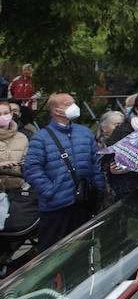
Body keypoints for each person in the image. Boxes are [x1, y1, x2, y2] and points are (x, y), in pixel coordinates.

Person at [23, 93, 105, 253]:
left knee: (81, 251)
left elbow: (96, 163)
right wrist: (50, 191)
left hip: (83, 203)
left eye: (73, 103)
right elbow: (32, 169)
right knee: (52, 253)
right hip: (56, 207)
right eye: (68, 104)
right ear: (55, 110)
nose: (74, 107)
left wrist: (98, 189)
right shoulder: (41, 138)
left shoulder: (85, 133)